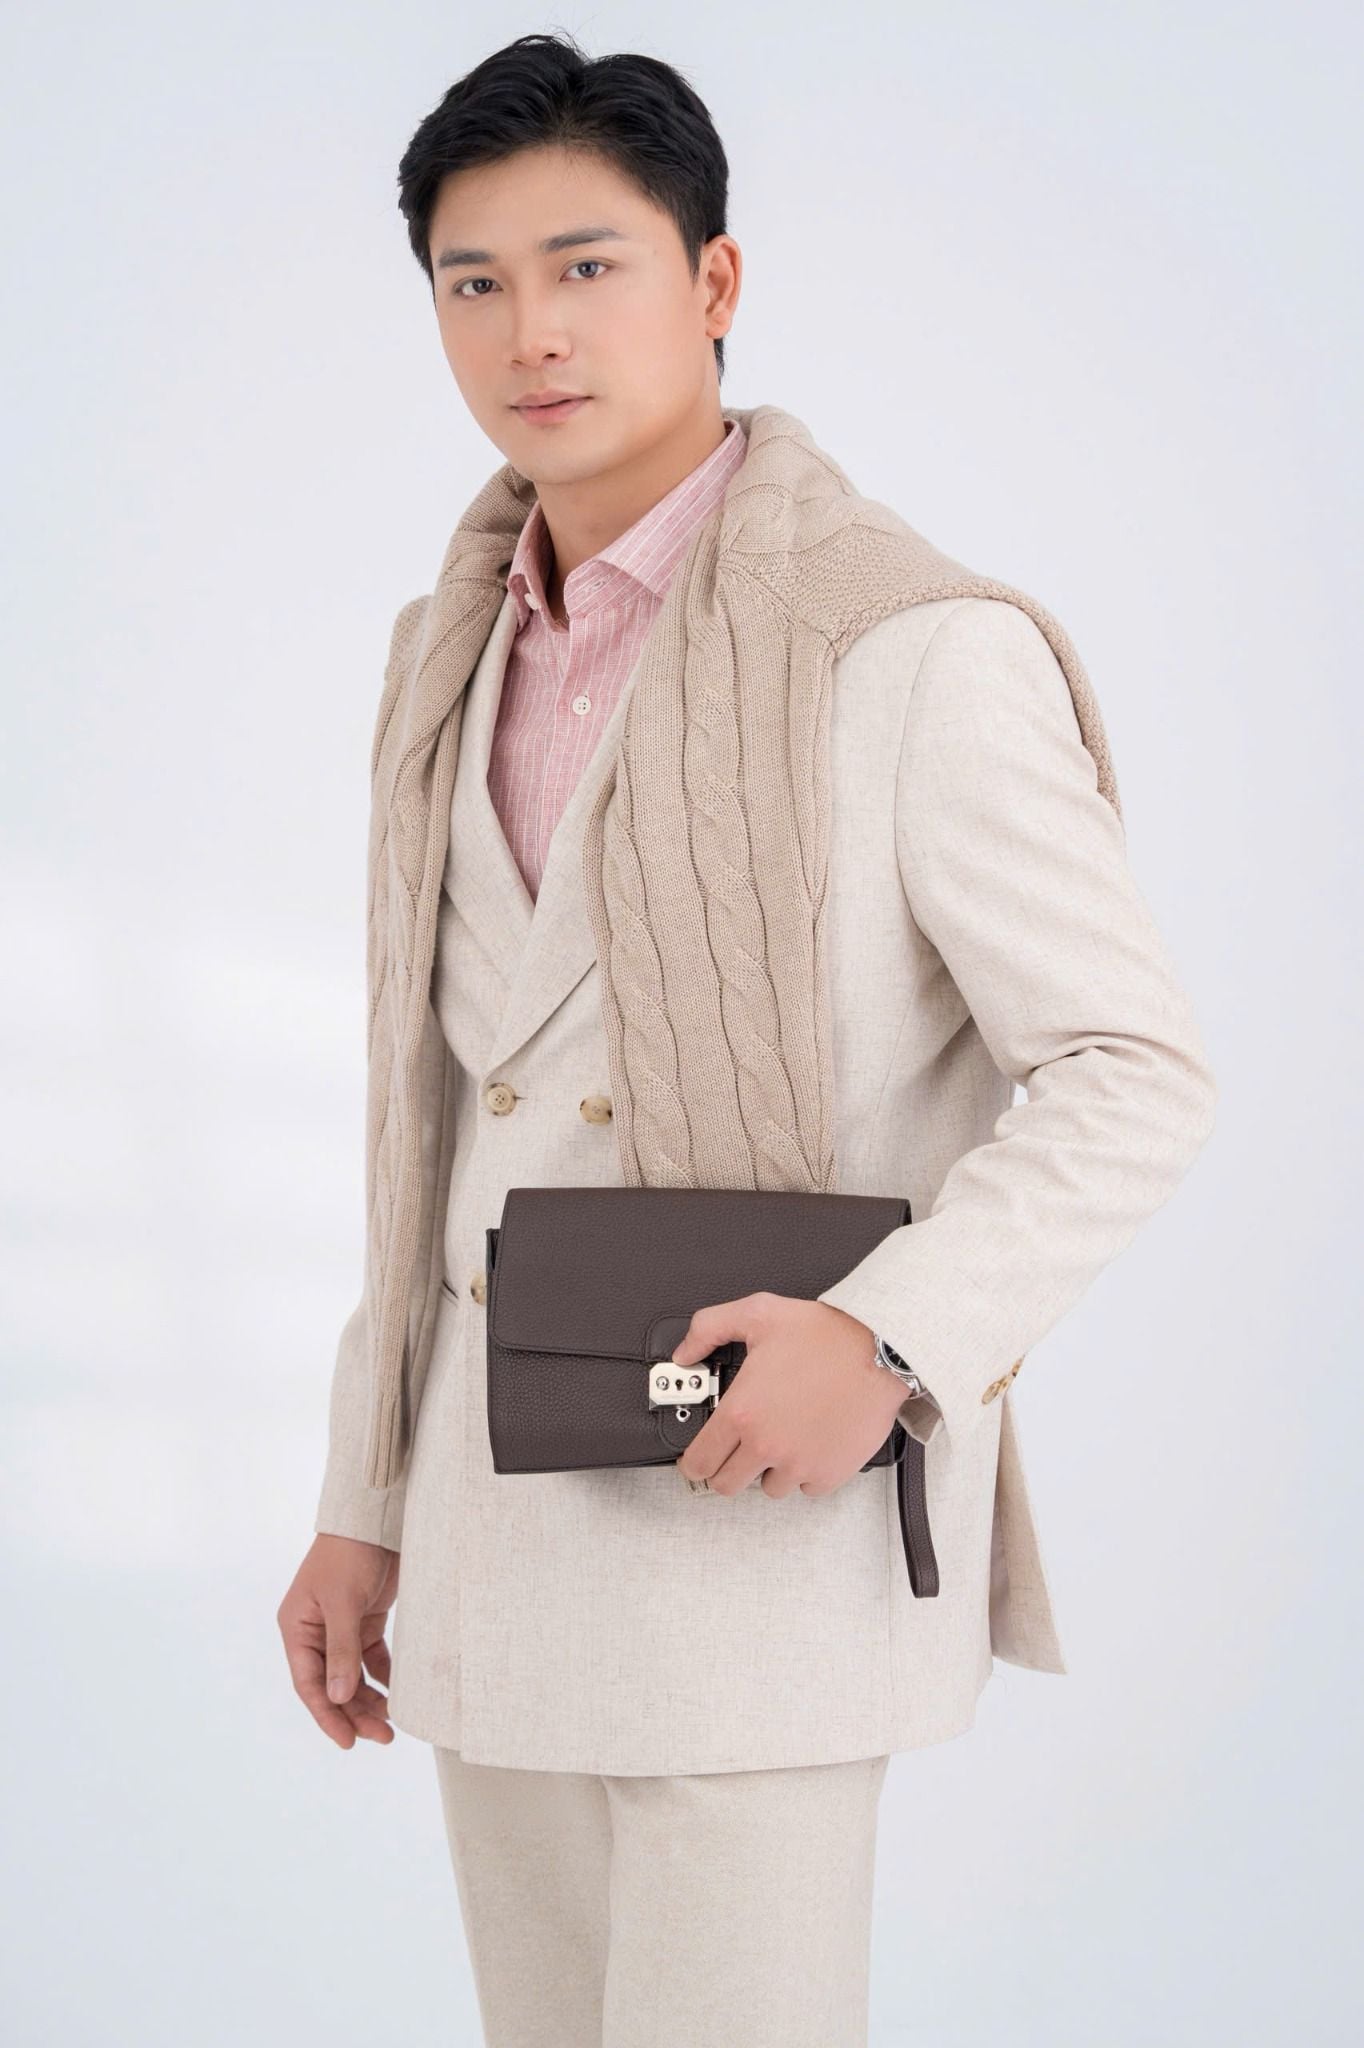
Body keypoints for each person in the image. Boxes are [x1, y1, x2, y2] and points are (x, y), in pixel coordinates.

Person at [277, 31, 1217, 2048]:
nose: (530, 330)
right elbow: (428, 1113)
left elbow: (1132, 1070)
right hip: (494, 1542)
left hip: (751, 1536)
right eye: (472, 280)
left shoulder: (911, 645)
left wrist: (886, 1340)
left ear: (712, 281)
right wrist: (366, 1493)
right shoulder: (442, 650)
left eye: (586, 265)